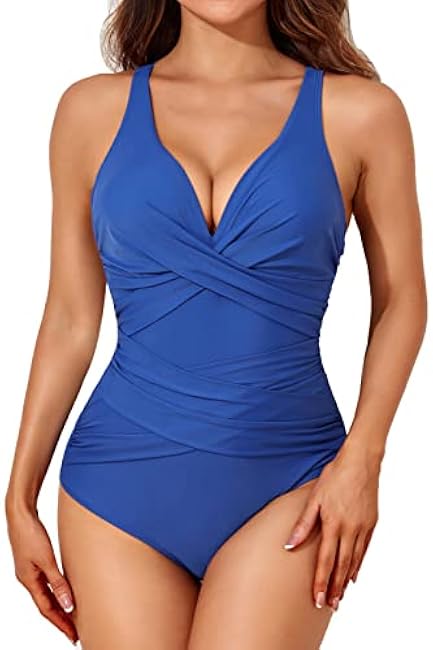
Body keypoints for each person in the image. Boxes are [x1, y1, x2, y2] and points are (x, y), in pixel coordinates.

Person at [5, 1, 427, 648]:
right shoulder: (89, 111)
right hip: (116, 484)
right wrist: (19, 496)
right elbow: (68, 316)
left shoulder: (361, 113)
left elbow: (401, 299)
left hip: (290, 479)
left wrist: (363, 461)